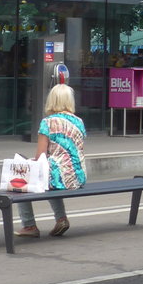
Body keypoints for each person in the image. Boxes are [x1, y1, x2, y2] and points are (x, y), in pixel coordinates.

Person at [16, 83, 86, 238]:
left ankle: (29, 226)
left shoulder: (48, 122)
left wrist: (28, 162)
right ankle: (61, 219)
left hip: (59, 177)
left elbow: (41, 156)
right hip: (78, 177)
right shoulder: (79, 121)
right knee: (54, 176)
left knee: (22, 180)